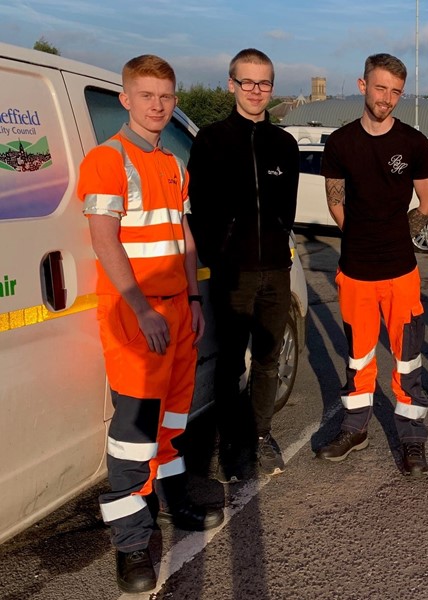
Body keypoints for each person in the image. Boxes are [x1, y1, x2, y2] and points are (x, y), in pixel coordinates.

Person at [77, 54, 223, 594]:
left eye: (166, 96)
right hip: (135, 313)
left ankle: (171, 500)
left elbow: (181, 235)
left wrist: (192, 299)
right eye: (147, 95)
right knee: (134, 431)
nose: (158, 105)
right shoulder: (107, 159)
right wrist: (141, 307)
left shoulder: (170, 163)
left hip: (178, 310)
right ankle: (133, 545)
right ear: (126, 98)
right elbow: (103, 238)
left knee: (171, 418)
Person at [317, 53, 428, 477]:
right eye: (381, 87)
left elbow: (427, 201)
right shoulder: (340, 143)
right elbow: (336, 202)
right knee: (358, 357)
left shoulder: (414, 143)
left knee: (407, 360)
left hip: (401, 272)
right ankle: (355, 427)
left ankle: (411, 438)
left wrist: (397, 233)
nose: (387, 98)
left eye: (396, 92)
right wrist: (361, 235)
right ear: (363, 84)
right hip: (355, 272)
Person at [187, 49, 299, 482]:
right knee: (230, 363)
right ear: (232, 83)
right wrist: (221, 254)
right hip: (233, 274)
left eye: (264, 83)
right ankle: (230, 443)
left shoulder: (284, 145)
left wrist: (273, 243)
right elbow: (201, 207)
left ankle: (259, 437)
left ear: (272, 87)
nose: (256, 91)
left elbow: (285, 210)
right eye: (247, 82)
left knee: (268, 360)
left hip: (274, 268)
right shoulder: (211, 140)